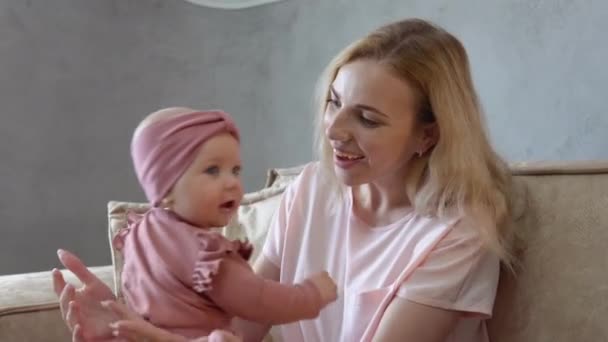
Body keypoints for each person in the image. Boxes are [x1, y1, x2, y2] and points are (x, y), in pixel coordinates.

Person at [53, 18, 515, 342]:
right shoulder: (312, 190)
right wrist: (131, 329)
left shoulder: (458, 232)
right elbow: (241, 329)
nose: (333, 130)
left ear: (427, 135)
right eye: (334, 102)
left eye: (368, 119)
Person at [52, 107, 337, 341]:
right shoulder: (205, 251)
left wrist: (117, 327)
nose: (232, 183)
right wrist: (311, 295)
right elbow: (258, 300)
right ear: (165, 187)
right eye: (212, 170)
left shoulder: (140, 233)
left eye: (235, 170)